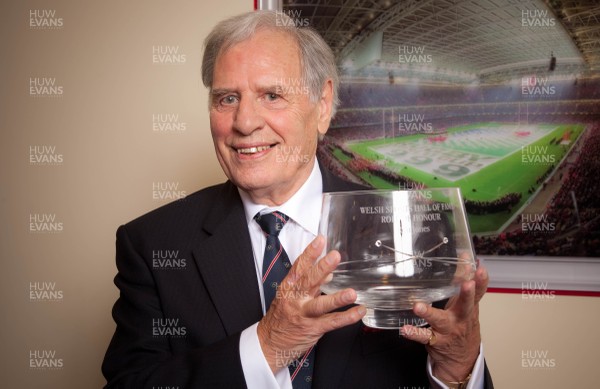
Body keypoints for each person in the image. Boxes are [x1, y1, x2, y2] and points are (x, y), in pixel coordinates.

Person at [102, 10, 492, 389]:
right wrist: (267, 346)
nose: (245, 122)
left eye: (271, 95)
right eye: (226, 99)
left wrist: (458, 369)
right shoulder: (153, 245)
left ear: (322, 105)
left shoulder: (409, 227)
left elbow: (445, 366)